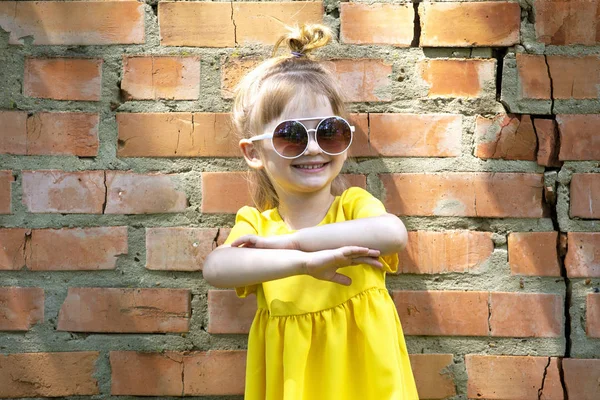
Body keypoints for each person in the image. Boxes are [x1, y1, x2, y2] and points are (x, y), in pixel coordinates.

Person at [203, 23, 419, 400]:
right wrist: (303, 264)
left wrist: (297, 243)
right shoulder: (257, 224)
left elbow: (392, 234)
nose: (314, 149)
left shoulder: (353, 207)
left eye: (329, 132)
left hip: (368, 383)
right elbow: (218, 268)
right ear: (253, 152)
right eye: (291, 136)